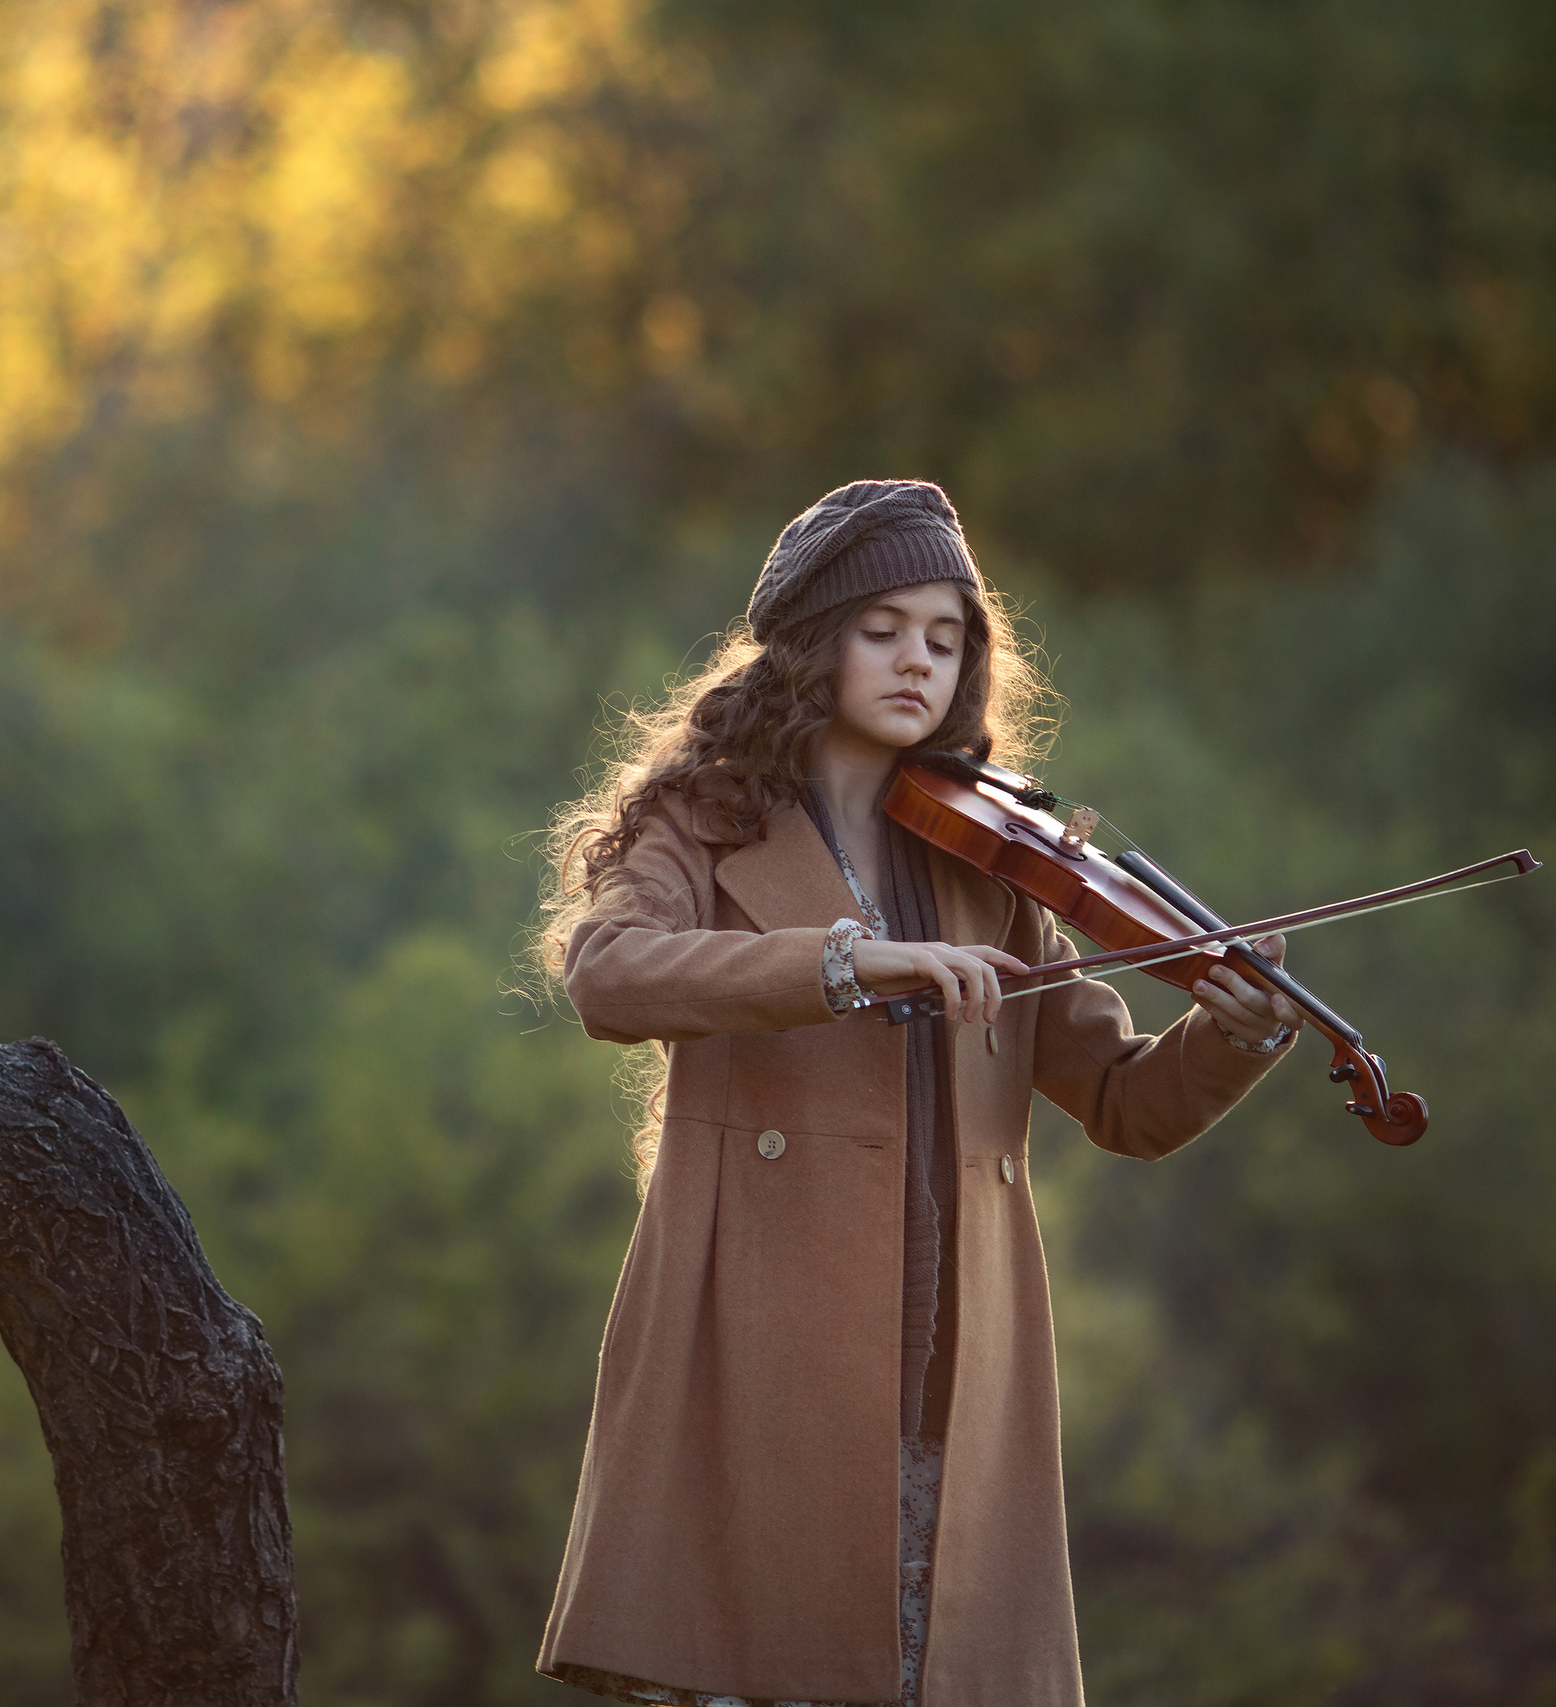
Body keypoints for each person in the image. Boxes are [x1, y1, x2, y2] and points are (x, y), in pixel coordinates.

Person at [530, 480, 1299, 1707]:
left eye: (946, 639)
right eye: (883, 628)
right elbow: (607, 977)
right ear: (810, 642)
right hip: (762, 1344)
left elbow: (1121, 1100)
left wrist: (1232, 1036)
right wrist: (842, 961)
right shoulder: (699, 820)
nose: (917, 661)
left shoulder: (991, 864)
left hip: (955, 1364)